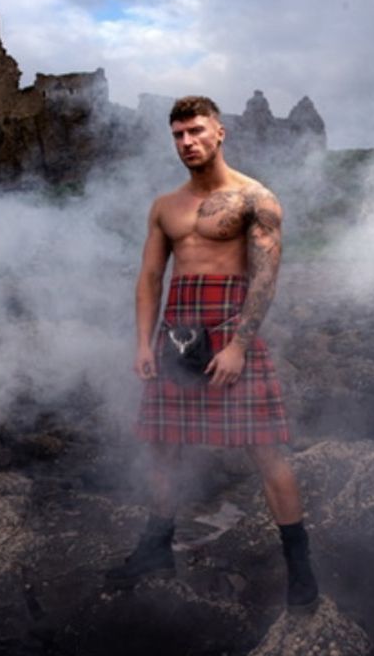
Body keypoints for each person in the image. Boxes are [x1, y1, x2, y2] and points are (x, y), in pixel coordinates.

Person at [106, 95, 318, 612]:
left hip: (230, 335)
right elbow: (151, 277)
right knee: (162, 446)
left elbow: (266, 277)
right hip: (176, 337)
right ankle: (156, 550)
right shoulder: (165, 206)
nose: (187, 142)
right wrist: (142, 343)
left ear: (219, 132)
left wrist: (239, 348)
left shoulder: (254, 198)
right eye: (179, 134)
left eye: (197, 131)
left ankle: (301, 572)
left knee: (266, 451)